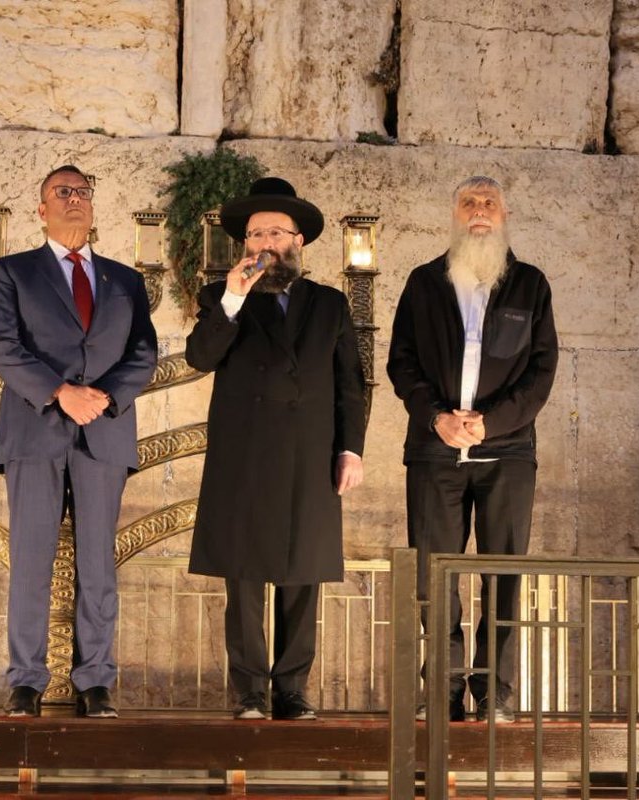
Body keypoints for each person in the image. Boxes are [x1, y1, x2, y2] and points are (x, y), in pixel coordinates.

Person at [186, 177, 367, 721]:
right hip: (244, 456)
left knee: (303, 574)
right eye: (255, 234)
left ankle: (291, 688)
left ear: (298, 242)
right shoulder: (222, 298)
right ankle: (249, 691)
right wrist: (234, 298)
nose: (265, 243)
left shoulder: (330, 304)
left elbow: (350, 383)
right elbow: (200, 356)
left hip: (310, 454)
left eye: (276, 233)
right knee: (243, 577)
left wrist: (350, 450)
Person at [0, 165, 158, 718]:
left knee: (98, 565)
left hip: (103, 433)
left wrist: (102, 397)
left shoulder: (126, 280)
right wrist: (60, 392)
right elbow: (2, 345)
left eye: (83, 192)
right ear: (42, 209)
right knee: (30, 561)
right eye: (63, 192)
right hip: (34, 432)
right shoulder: (12, 272)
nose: (75, 199)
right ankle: (26, 681)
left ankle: (95, 681)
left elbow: (144, 352)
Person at [387, 176, 558, 724]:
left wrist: (491, 424)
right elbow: (401, 362)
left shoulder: (530, 285)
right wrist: (437, 417)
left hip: (507, 452)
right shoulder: (423, 282)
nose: (479, 210)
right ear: (455, 214)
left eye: (489, 203)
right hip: (434, 451)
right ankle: (443, 688)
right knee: (434, 574)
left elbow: (541, 372)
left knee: (503, 574)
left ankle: (494, 693)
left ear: (504, 215)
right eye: (469, 202)